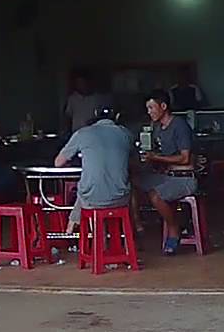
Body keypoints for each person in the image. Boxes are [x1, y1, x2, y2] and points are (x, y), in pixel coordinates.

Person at [135, 90, 198, 255]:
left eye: (151, 108)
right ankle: (137, 228)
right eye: (147, 109)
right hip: (167, 176)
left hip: (184, 178)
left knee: (156, 196)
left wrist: (156, 157)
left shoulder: (179, 125)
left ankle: (174, 228)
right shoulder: (158, 128)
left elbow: (185, 158)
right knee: (131, 184)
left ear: (163, 106)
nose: (149, 112)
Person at [55, 103, 133, 230]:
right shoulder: (126, 134)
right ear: (117, 116)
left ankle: (74, 231)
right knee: (94, 191)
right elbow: (134, 162)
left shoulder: (82, 133)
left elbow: (58, 163)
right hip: (121, 199)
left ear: (95, 116)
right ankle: (131, 230)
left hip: (91, 199)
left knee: (87, 192)